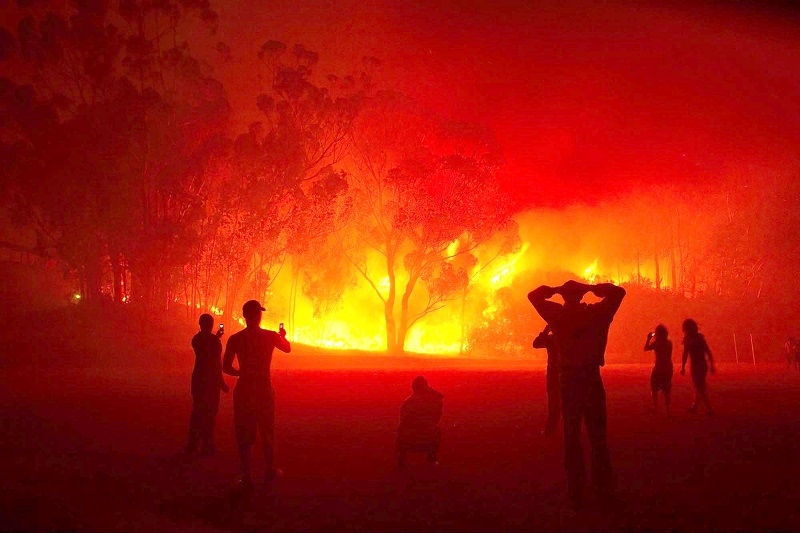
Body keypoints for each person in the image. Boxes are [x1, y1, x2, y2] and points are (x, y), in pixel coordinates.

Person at [528, 280, 626, 510]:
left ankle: (576, 489)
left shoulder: (558, 316)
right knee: (598, 437)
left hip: (569, 379)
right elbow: (619, 292)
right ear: (581, 295)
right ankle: (602, 488)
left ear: (564, 297)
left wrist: (555, 290)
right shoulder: (597, 314)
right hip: (591, 377)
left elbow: (534, 296)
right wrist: (590, 287)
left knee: (572, 436)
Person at [222, 300, 291, 489]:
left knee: (244, 432)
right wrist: (282, 336)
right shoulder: (270, 336)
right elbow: (287, 348)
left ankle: (246, 474)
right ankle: (269, 470)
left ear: (245, 316)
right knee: (267, 430)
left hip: (244, 389)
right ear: (259, 315)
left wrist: (241, 373)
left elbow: (226, 366)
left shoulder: (235, 339)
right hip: (263, 389)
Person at [186, 313, 229, 455]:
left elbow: (204, 351)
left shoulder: (196, 339)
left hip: (198, 379)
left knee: (197, 411)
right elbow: (215, 362)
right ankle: (207, 444)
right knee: (210, 413)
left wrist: (216, 337)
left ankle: (192, 444)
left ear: (200, 324)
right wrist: (222, 383)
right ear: (211, 325)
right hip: (211, 381)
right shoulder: (214, 342)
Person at [397, 376, 444, 468]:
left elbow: (401, 423)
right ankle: (431, 459)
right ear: (425, 388)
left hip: (407, 438)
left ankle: (401, 462)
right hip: (427, 438)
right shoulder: (430, 403)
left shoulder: (408, 402)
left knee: (400, 432)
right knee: (436, 430)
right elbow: (436, 418)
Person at [680, 318, 715, 415]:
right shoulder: (699, 337)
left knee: (699, 386)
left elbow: (685, 353)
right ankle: (694, 405)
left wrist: (683, 367)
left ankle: (709, 408)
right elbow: (707, 351)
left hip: (697, 365)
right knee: (699, 385)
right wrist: (711, 364)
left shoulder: (689, 339)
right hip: (702, 364)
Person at [533, 325, 560, 435]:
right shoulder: (568, 337)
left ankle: (550, 430)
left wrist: (545, 331)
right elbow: (536, 344)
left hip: (554, 373)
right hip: (566, 372)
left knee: (554, 402)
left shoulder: (551, 339)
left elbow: (536, 344)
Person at [644, 324, 673, 418]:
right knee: (667, 390)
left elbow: (646, 348)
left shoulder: (656, 343)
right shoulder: (669, 343)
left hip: (659, 368)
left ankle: (655, 406)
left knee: (654, 387)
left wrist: (649, 338)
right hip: (668, 368)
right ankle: (668, 411)